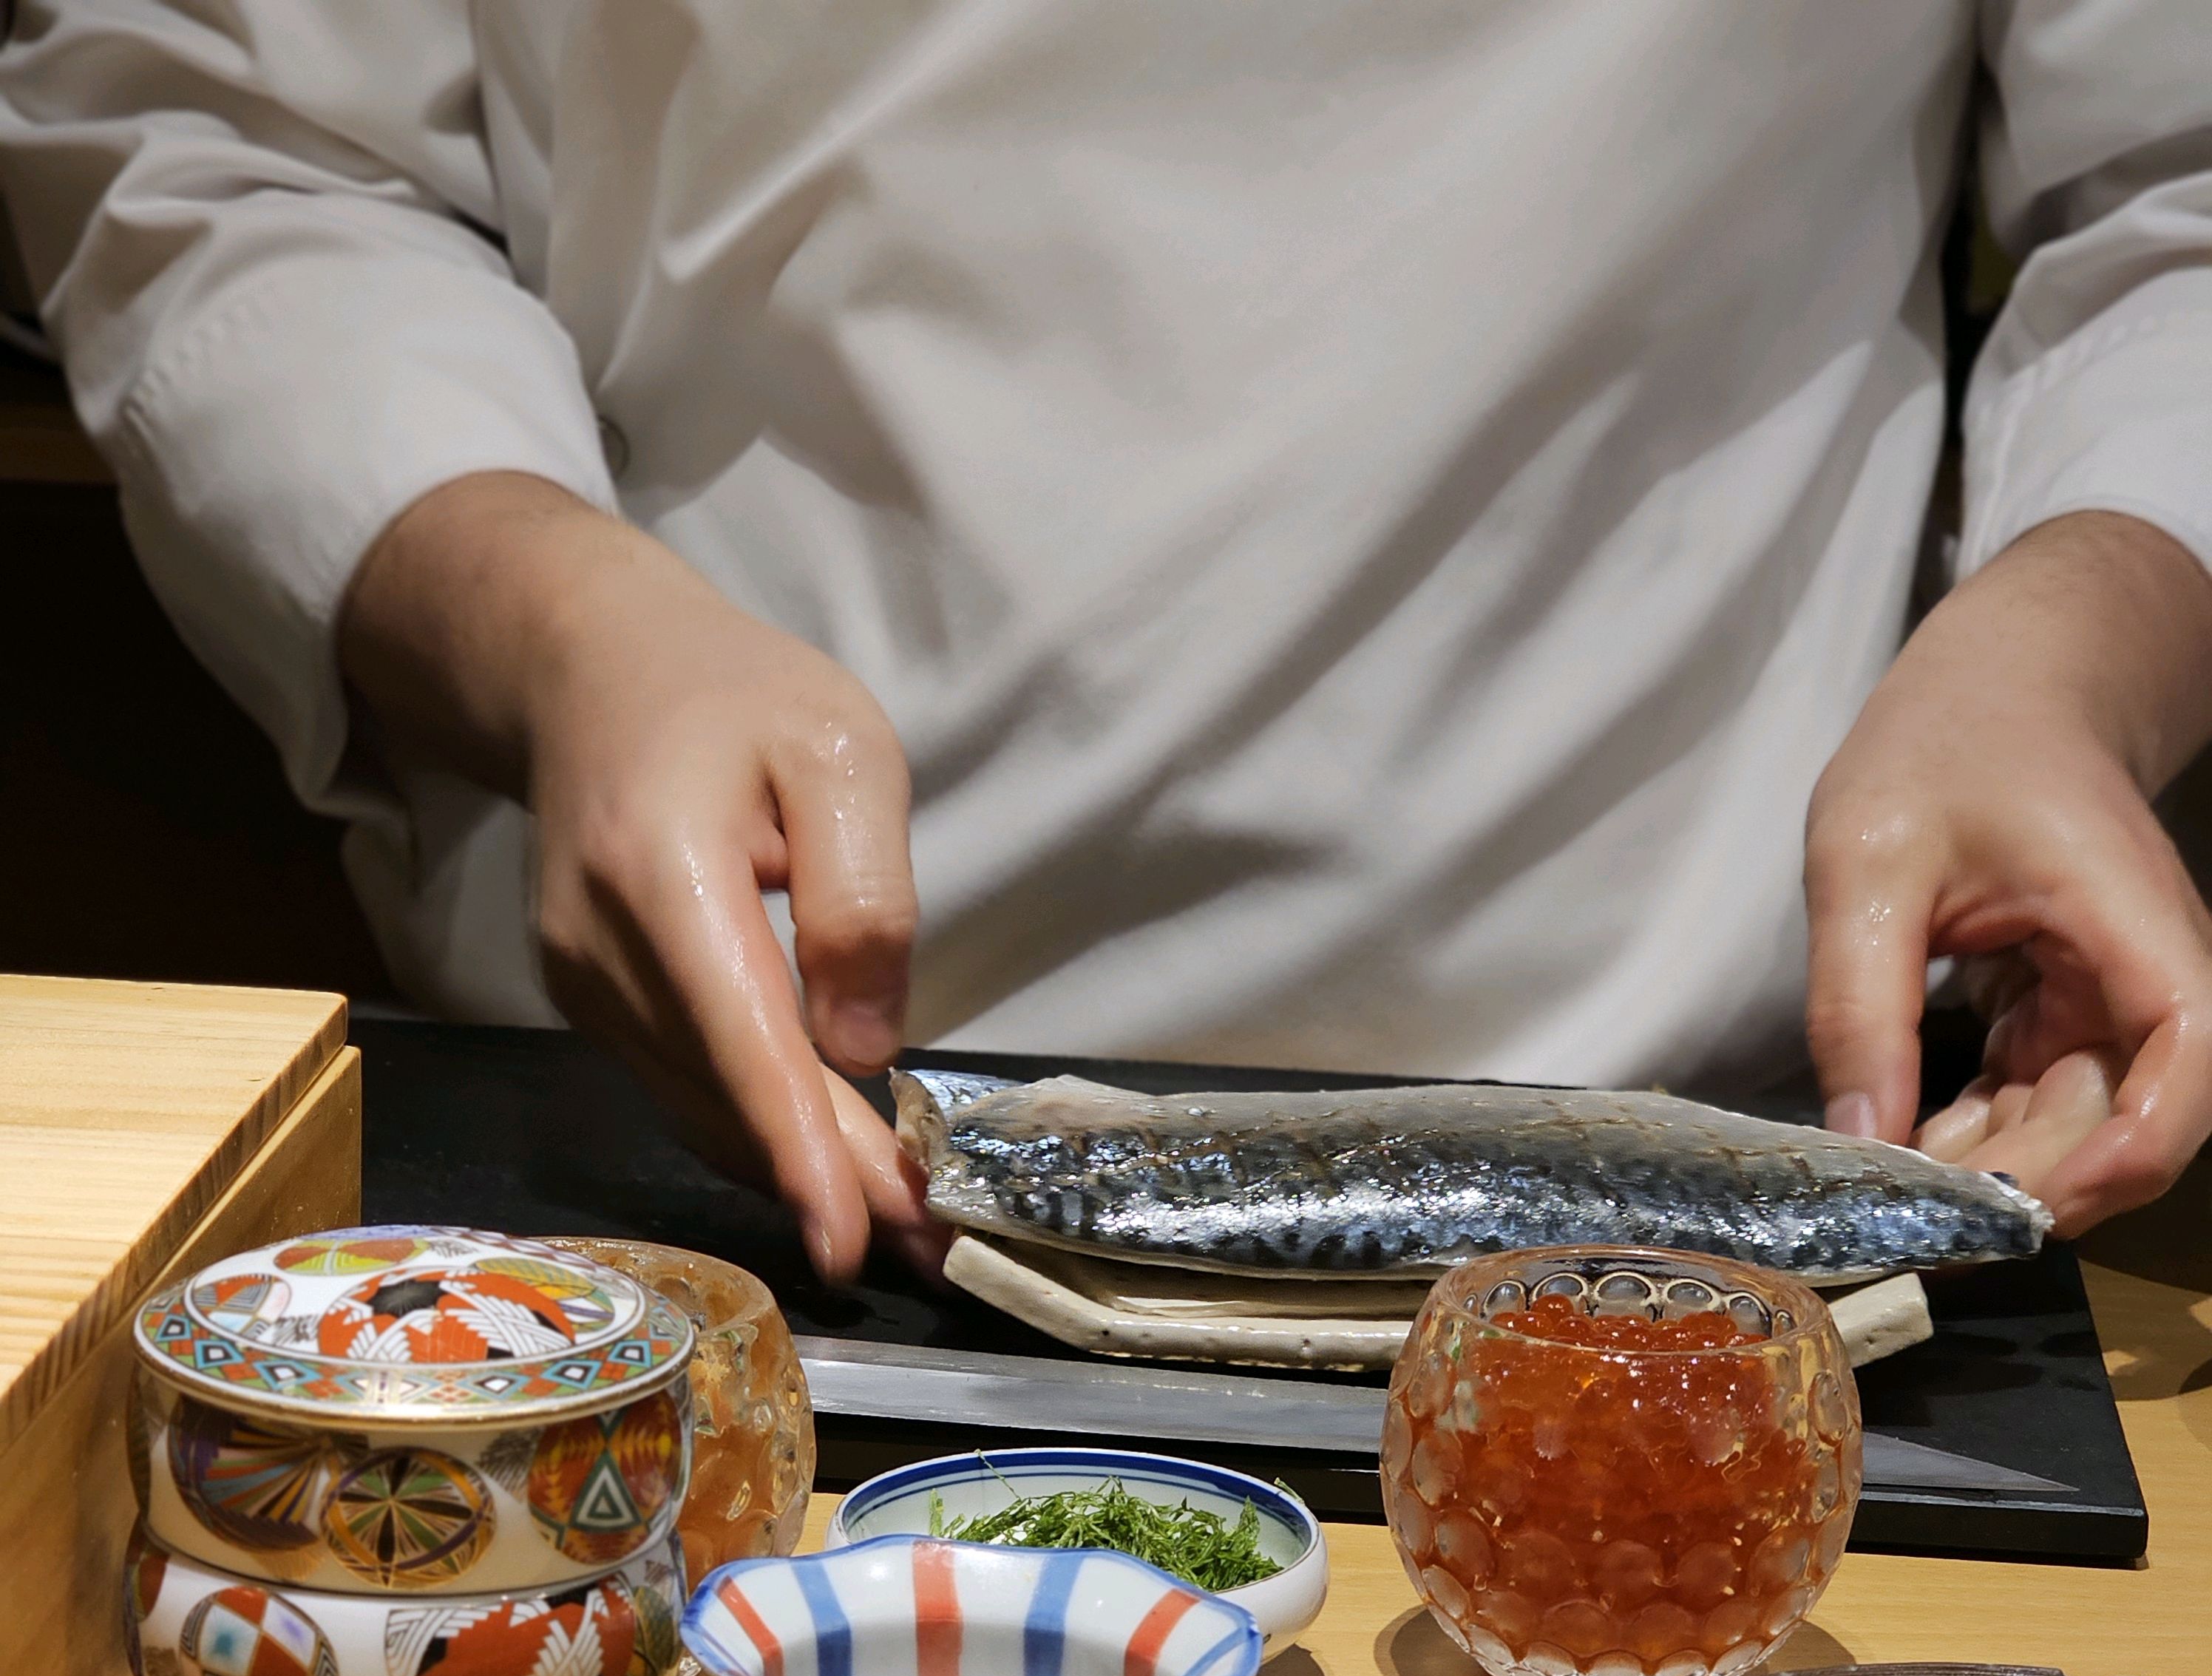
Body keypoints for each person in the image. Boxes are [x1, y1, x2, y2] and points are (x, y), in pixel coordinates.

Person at [3, 3, 2210, 1282]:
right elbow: (233, 129)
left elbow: (2174, 189)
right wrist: (548, 617)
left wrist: (2074, 643)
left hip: (1743, 1196)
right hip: (672, 1167)